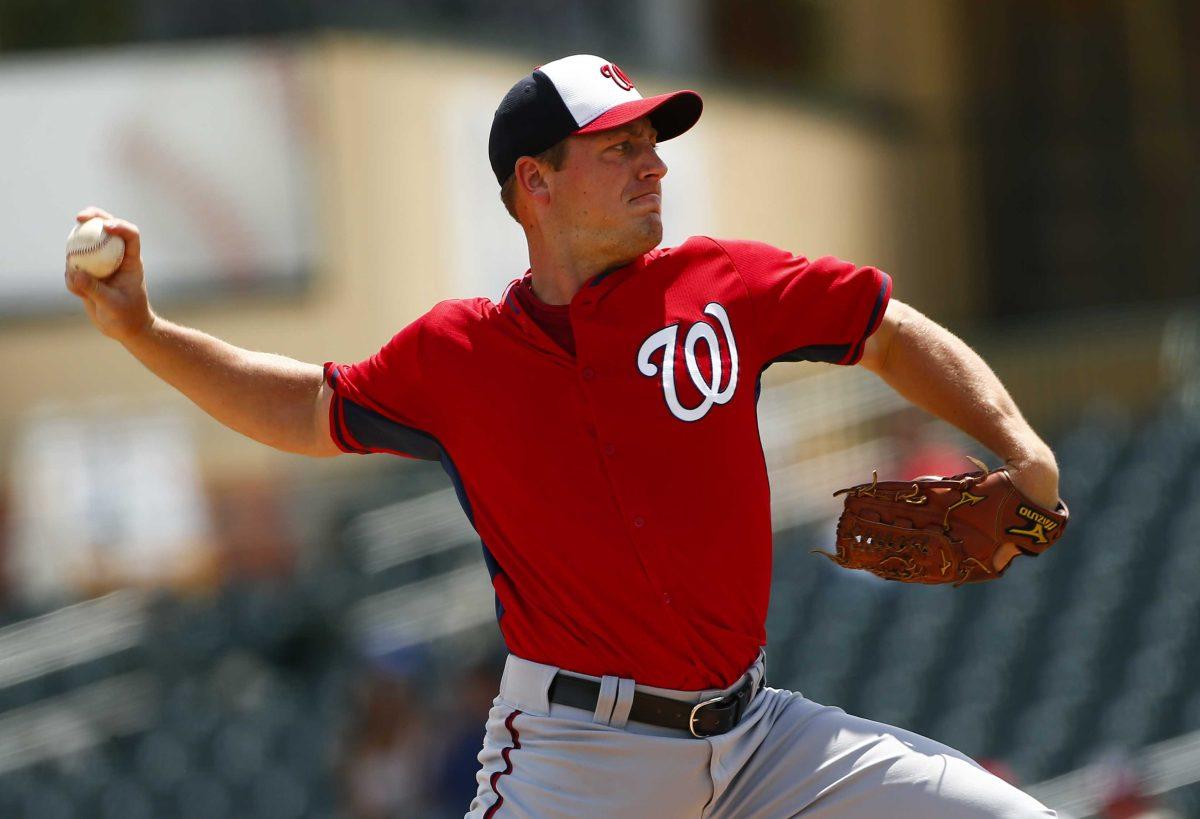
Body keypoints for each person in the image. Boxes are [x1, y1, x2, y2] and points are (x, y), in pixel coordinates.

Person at [65, 54, 1062, 818]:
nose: (653, 164)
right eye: (620, 147)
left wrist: (1016, 444)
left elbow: (882, 329)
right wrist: (145, 333)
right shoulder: (458, 354)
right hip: (580, 758)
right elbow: (303, 408)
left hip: (762, 736)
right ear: (534, 184)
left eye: (651, 142)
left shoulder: (722, 286)